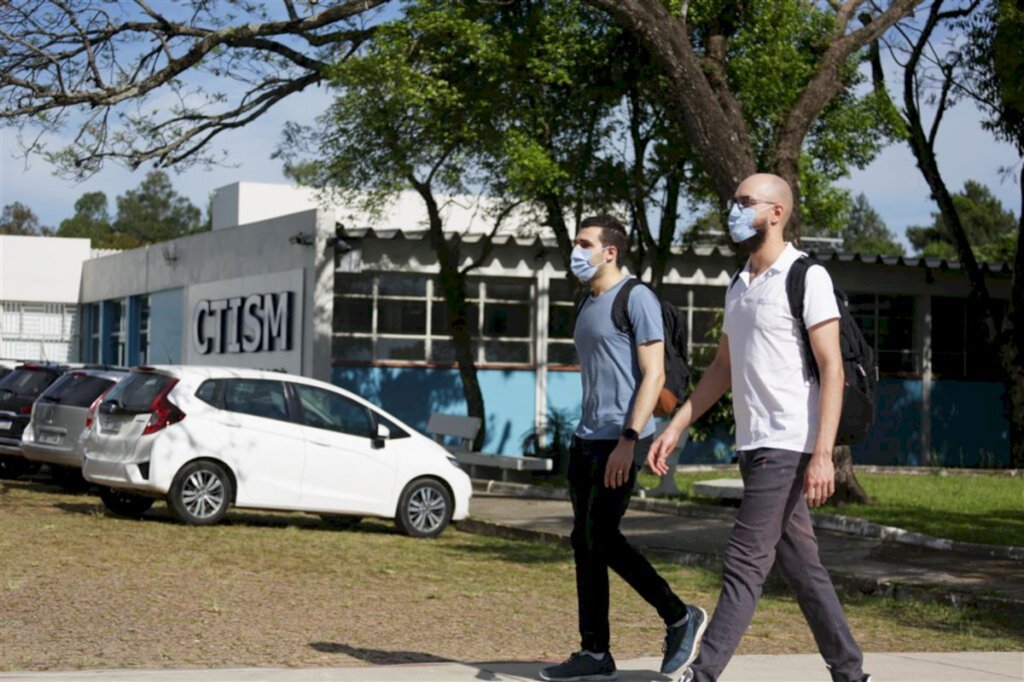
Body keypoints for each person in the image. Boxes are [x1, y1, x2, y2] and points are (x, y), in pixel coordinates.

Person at [649, 174, 871, 682]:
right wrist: (677, 424)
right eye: (734, 200)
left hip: (788, 444)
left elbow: (832, 368)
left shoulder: (805, 276)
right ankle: (851, 672)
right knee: (802, 568)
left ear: (777, 212)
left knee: (745, 561)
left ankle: (701, 674)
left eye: (746, 202)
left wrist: (822, 454)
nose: (735, 208)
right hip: (753, 445)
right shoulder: (739, 283)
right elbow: (722, 369)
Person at [540, 215, 707, 682]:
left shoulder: (637, 298)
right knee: (585, 543)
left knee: (601, 537)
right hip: (587, 438)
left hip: (624, 437)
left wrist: (630, 440)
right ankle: (594, 652)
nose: (576, 250)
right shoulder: (586, 302)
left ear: (610, 251)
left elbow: (653, 375)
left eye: (584, 243)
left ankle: (679, 616)